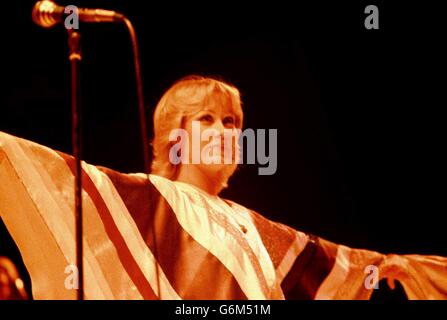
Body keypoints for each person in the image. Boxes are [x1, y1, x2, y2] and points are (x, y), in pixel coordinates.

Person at [0, 75, 446, 300]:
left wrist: (400, 268)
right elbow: (52, 180)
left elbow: (333, 260)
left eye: (231, 122)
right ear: (175, 135)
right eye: (207, 119)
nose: (225, 131)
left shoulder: (251, 225)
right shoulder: (148, 198)